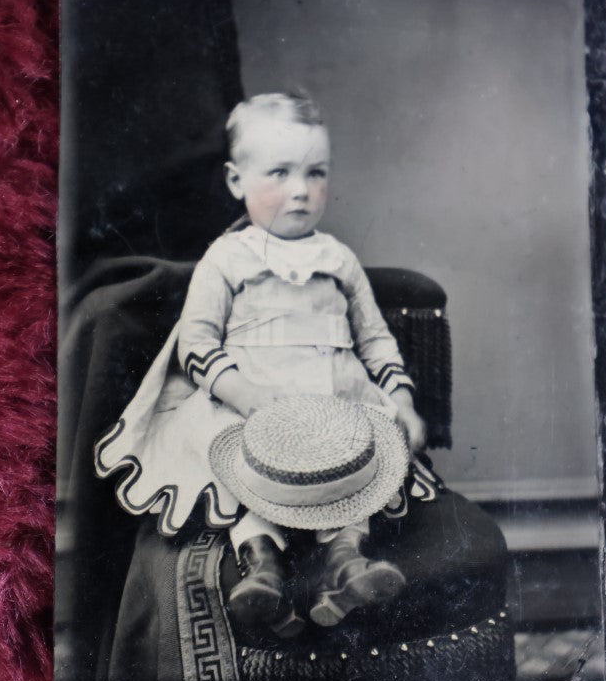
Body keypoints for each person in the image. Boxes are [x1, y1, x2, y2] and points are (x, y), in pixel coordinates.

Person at [95, 91, 439, 636]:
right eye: (279, 173)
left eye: (315, 173)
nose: (301, 191)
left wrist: (400, 401)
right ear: (238, 182)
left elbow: (375, 340)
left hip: (333, 395)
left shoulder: (339, 259)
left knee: (362, 454)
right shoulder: (228, 257)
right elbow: (197, 341)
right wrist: (243, 395)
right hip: (255, 399)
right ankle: (263, 568)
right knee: (233, 455)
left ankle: (345, 562)